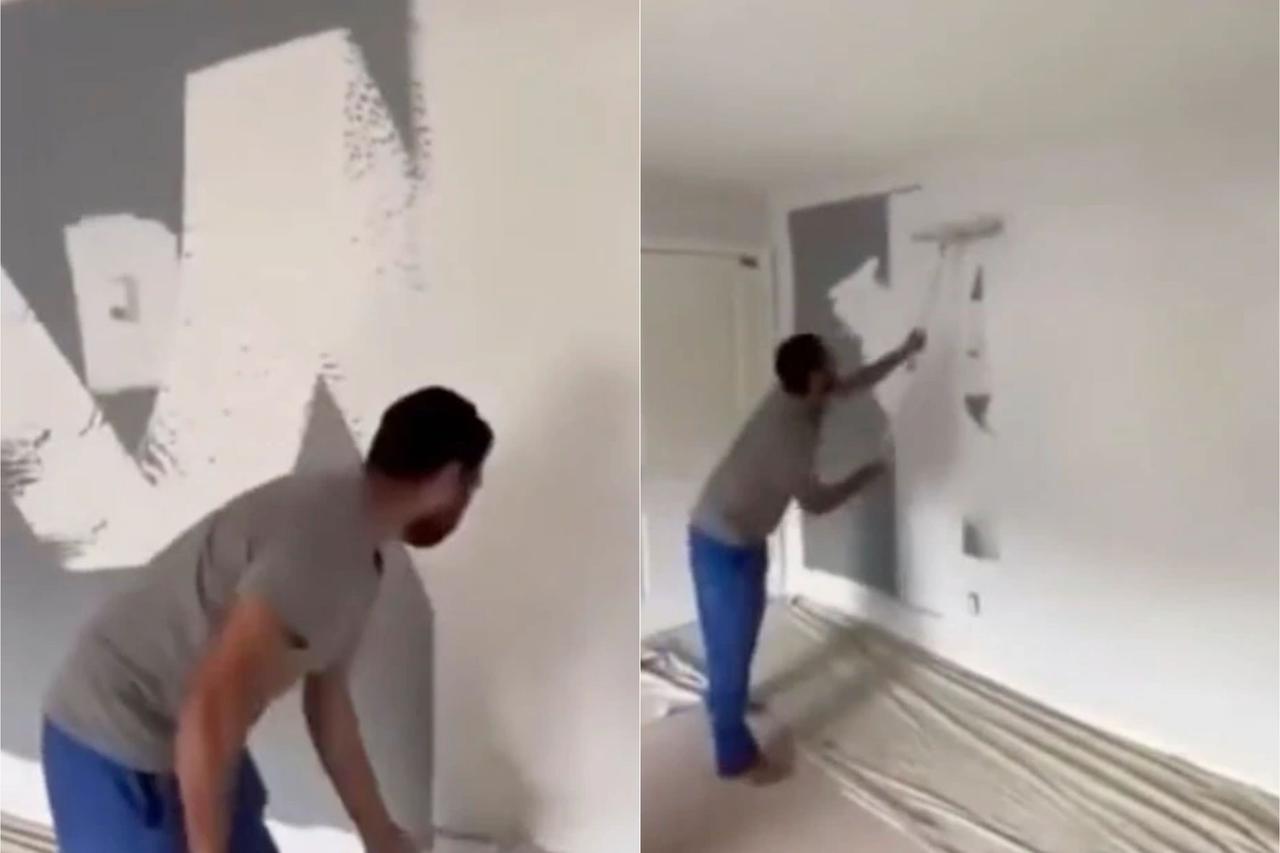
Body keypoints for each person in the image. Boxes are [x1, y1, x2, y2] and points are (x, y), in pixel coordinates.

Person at [41, 387, 493, 852]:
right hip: (114, 740)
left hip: (197, 740)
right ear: (449, 478)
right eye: (470, 488)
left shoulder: (360, 552)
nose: (464, 503)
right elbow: (211, 709)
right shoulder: (320, 542)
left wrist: (381, 835)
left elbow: (329, 707)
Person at [687, 328, 926, 783]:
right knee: (731, 645)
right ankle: (735, 757)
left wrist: (902, 353)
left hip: (741, 535)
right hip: (721, 543)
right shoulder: (789, 436)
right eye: (828, 364)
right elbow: (816, 503)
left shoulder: (800, 392)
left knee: (737, 639)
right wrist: (870, 474)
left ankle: (724, 701)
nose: (836, 369)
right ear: (814, 378)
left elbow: (851, 385)